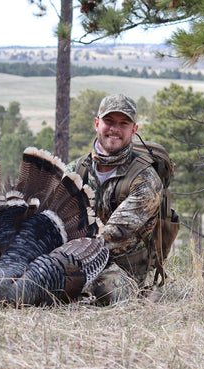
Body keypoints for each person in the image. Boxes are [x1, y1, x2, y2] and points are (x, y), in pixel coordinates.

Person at [67, 94, 163, 305]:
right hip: (74, 259)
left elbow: (115, 233)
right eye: (109, 121)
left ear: (134, 129)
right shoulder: (76, 169)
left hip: (123, 268)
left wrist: (62, 261)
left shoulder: (145, 178)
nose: (115, 129)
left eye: (123, 124)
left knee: (108, 290)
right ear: (96, 123)